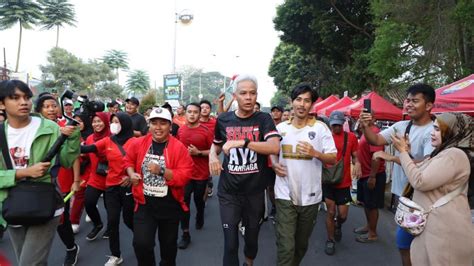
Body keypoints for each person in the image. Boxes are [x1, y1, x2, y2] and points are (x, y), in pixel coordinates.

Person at [0, 80, 79, 266]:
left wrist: (73, 137)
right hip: (11, 204)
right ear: (2, 104)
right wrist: (23, 173)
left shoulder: (49, 127)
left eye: (27, 97)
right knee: (27, 261)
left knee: (29, 263)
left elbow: (66, 161)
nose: (23, 102)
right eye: (15, 98)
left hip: (45, 202)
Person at [359, 83, 435, 266]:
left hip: (422, 199)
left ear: (429, 105)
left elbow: (428, 163)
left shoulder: (433, 130)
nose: (408, 104)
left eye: (415, 101)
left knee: (411, 246)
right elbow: (375, 139)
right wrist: (365, 126)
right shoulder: (401, 126)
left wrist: (392, 157)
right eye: (407, 100)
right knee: (406, 246)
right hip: (405, 197)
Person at [209, 74, 280, 266]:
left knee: (251, 239)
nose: (248, 97)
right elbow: (215, 145)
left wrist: (243, 142)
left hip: (255, 192)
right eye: (243, 93)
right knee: (230, 243)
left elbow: (274, 147)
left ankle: (249, 262)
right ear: (236, 96)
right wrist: (212, 156)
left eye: (252, 93)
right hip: (229, 192)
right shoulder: (223, 119)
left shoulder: (264, 119)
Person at [391, 112, 474, 265]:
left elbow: (420, 181)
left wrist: (402, 152)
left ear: (453, 131)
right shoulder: (442, 152)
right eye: (433, 128)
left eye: (437, 129)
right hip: (434, 223)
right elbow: (417, 171)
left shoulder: (454, 155)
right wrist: (407, 153)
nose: (432, 133)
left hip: (444, 228)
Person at [270, 83, 337, 265]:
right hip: (284, 194)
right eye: (298, 99)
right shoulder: (281, 128)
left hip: (311, 196)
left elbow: (333, 158)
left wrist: (315, 153)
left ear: (312, 105)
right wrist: (275, 164)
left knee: (300, 245)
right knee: (286, 246)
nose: (302, 104)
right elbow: (271, 150)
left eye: (307, 101)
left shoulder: (320, 128)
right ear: (292, 102)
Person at [125, 107, 193, 266]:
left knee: (168, 249)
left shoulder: (179, 148)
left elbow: (185, 176)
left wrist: (162, 171)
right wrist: (130, 173)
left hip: (170, 205)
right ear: (149, 125)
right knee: (141, 244)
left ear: (170, 126)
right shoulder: (139, 143)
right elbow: (127, 160)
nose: (158, 127)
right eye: (154, 123)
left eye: (163, 123)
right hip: (144, 204)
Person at [81, 112, 135, 265]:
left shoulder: (135, 142)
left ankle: (141, 240)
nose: (114, 125)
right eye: (112, 122)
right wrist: (70, 139)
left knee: (129, 220)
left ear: (125, 124)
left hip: (128, 187)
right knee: (112, 221)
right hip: (111, 187)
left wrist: (131, 176)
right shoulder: (108, 140)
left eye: (117, 122)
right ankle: (115, 255)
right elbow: (88, 149)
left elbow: (141, 164)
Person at [36, 94, 82, 266]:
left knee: (62, 220)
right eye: (46, 106)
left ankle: (71, 248)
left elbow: (74, 156)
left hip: (61, 179)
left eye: (54, 105)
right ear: (39, 109)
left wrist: (76, 180)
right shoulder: (32, 129)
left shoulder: (67, 127)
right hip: (34, 183)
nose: (51, 109)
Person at [176, 103, 213, 249]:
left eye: (195, 112)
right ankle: (185, 234)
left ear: (199, 114)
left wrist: (198, 153)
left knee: (198, 200)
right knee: (183, 202)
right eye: (189, 112)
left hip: (201, 173)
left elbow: (215, 152)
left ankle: (200, 213)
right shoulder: (181, 130)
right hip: (185, 173)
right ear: (185, 113)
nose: (192, 114)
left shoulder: (206, 131)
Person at [323, 111, 359, 255]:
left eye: (338, 125)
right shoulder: (325, 137)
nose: (335, 128)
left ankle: (338, 225)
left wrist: (357, 164)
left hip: (344, 182)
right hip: (327, 181)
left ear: (343, 123)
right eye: (333, 125)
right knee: (331, 212)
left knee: (343, 216)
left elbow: (355, 155)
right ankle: (330, 240)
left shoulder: (350, 137)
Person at [353, 114, 386, 244]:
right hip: (365, 174)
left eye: (368, 116)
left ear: (373, 119)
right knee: (366, 203)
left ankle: (372, 233)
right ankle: (369, 226)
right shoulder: (365, 131)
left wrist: (372, 177)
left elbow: (377, 157)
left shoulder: (375, 133)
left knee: (372, 205)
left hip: (373, 175)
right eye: (362, 116)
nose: (364, 118)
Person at [83, 112, 111, 241]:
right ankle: (97, 224)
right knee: (89, 203)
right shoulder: (89, 139)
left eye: (99, 121)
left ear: (106, 122)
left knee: (110, 208)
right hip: (95, 178)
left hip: (111, 179)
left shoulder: (113, 138)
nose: (97, 124)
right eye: (94, 121)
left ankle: (110, 228)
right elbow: (87, 158)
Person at [69, 112, 94, 234]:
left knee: (81, 195)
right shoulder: (69, 135)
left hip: (90, 169)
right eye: (75, 121)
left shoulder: (91, 136)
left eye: (81, 121)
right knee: (79, 195)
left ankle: (74, 221)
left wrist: (85, 153)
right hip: (72, 168)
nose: (78, 124)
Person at [199, 99, 217, 198]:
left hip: (209, 152)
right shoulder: (194, 122)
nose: (204, 110)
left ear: (210, 110)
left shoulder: (214, 123)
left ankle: (208, 185)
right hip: (195, 153)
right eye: (202, 108)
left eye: (207, 108)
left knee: (206, 177)